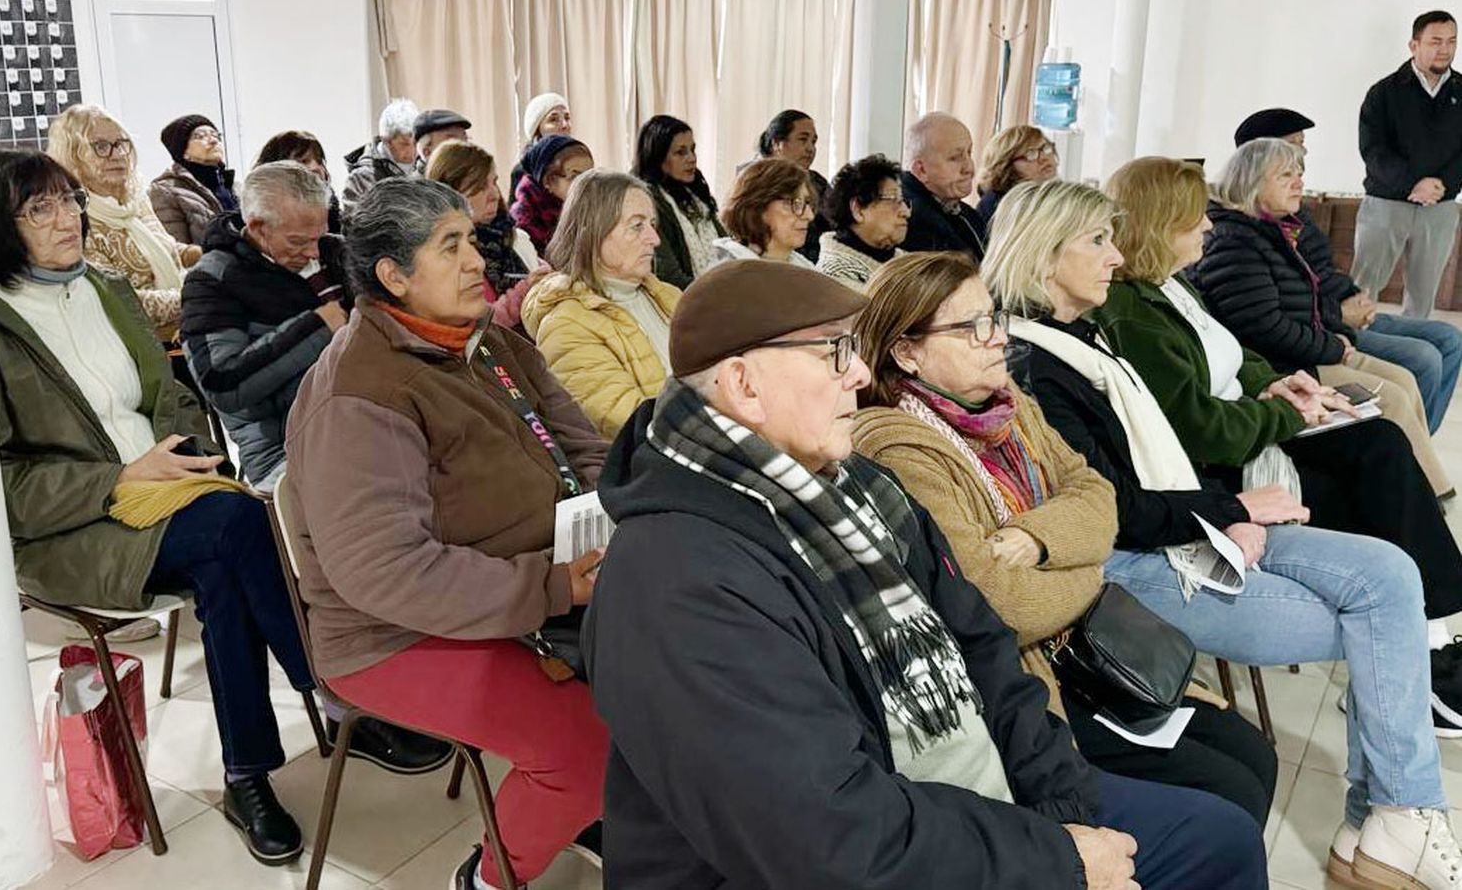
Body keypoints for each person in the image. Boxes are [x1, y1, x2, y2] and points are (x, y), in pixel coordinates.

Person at [585, 258, 1269, 890]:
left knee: (1221, 836)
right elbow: (826, 840)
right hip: (849, 855)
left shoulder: (857, 487)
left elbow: (985, 646)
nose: (859, 373)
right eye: (835, 351)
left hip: (962, 807)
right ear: (743, 384)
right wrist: (1057, 859)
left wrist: (1062, 807)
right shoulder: (677, 584)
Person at [980, 180, 1462, 887]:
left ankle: (1385, 816)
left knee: (1390, 571)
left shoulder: (1083, 335)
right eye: (1097, 241)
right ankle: (1392, 819)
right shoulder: (1036, 366)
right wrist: (1229, 510)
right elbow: (1117, 509)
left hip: (1188, 521)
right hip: (1137, 564)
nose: (1115, 257)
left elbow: (1163, 456)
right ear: (1045, 255)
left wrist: (1230, 503)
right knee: (1380, 625)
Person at [0, 147, 318, 866]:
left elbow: (172, 395)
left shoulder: (106, 289)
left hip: (170, 491)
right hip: (74, 526)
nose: (69, 217)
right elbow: (0, 487)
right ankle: (336, 689)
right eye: (42, 208)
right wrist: (121, 477)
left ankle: (246, 773)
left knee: (228, 560)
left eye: (71, 200)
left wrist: (182, 445)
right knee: (243, 523)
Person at [851, 250, 1279, 825]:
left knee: (1254, 756)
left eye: (994, 317)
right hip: (1030, 681)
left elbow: (1096, 494)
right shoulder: (897, 446)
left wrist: (1037, 538)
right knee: (1228, 794)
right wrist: (1089, 567)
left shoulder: (1007, 404)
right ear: (907, 352)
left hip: (1090, 645)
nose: (996, 338)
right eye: (970, 328)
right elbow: (998, 604)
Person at [284, 177, 609, 890]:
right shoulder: (358, 395)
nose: (477, 262)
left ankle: (595, 812)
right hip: (390, 634)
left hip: (522, 578)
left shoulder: (481, 337)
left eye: (471, 239)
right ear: (393, 275)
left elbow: (577, 440)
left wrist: (614, 507)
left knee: (677, 655)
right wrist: (552, 586)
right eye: (450, 246)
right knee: (585, 748)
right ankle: (488, 877)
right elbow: (387, 573)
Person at [1095, 158, 1462, 728]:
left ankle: (1433, 638)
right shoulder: (1133, 311)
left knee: (1380, 443)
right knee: (1376, 470)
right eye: (1196, 219)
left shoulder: (1172, 285)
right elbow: (1199, 428)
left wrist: (1278, 383)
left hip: (1252, 427)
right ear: (1159, 224)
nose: (1209, 228)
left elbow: (1237, 353)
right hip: (1222, 468)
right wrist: (1287, 416)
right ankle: (1428, 652)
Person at [1192, 137, 1451, 494]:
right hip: (1285, 363)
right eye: (1285, 175)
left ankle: (1423, 485)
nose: (1299, 182)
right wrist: (1333, 344)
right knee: (1390, 395)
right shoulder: (1235, 240)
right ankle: (1428, 494)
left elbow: (1314, 289)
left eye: (1299, 173)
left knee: (1405, 380)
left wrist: (1340, 322)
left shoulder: (1281, 227)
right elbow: (1264, 327)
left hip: (1313, 345)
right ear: (1251, 181)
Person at [1234, 107, 1462, 433]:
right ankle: (1407, 447)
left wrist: (1355, 297)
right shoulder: (1243, 229)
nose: (1305, 151)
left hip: (1330, 317)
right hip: (1318, 329)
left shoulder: (1292, 210)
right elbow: (1276, 312)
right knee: (1423, 359)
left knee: (1449, 338)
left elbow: (1323, 268)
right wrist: (1338, 314)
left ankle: (1417, 441)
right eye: (1296, 143)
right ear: (1260, 156)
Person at [179, 161, 347, 493]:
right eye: (299, 241)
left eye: (319, 236)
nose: (313, 252)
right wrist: (317, 326)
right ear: (258, 228)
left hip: (358, 423)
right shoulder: (212, 280)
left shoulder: (334, 252)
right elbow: (224, 383)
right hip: (283, 449)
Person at [521, 170, 680, 438]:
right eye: (637, 226)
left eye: (652, 224)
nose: (655, 239)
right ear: (594, 233)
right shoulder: (564, 326)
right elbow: (631, 422)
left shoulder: (668, 295)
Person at [47, 104, 198, 341]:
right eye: (101, 147)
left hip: (187, 323)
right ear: (71, 155)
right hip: (143, 343)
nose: (117, 154)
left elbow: (165, 249)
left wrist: (203, 254)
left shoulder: (134, 201)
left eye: (121, 144)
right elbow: (116, 301)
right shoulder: (72, 217)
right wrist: (198, 296)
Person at [1351, 10, 1462, 319]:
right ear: (1414, 45)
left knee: (1423, 295)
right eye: (1435, 41)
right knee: (1363, 288)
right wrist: (1415, 182)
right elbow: (1373, 150)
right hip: (1386, 203)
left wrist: (1441, 187)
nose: (1445, 49)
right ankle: (1353, 347)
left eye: (1452, 41)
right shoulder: (1383, 93)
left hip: (1440, 207)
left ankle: (1411, 355)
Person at [426, 139, 549, 330]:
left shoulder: (512, 236)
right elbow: (474, 327)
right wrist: (524, 292)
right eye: (480, 187)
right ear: (451, 192)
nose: (494, 194)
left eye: (494, 182)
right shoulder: (442, 255)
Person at [632, 114, 725, 288]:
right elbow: (668, 276)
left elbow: (725, 248)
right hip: (684, 301)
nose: (691, 158)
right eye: (680, 152)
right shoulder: (646, 201)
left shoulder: (695, 193)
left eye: (692, 149)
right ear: (657, 157)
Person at [816, 153, 910, 289]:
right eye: (893, 200)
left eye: (903, 200)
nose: (905, 212)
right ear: (858, 210)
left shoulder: (904, 262)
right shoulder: (836, 278)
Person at [900, 111, 987, 258]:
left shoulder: (966, 214)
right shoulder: (908, 220)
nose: (969, 168)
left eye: (969, 153)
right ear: (921, 170)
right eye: (954, 158)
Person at [707, 157, 819, 270]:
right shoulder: (727, 277)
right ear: (757, 207)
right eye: (795, 203)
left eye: (807, 203)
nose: (809, 216)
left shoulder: (808, 271)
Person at [750, 108, 831, 261]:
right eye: (803, 139)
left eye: (813, 142)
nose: (810, 148)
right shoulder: (756, 182)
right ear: (777, 143)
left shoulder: (817, 182)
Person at [149, 113, 239, 246]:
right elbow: (178, 251)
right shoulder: (166, 191)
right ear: (183, 151)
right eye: (201, 136)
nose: (214, 141)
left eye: (216, 136)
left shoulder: (235, 186)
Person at [510, 134, 593, 257]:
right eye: (575, 177)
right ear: (548, 181)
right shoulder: (523, 223)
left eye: (590, 176)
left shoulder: (588, 210)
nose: (586, 184)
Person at [256, 129, 343, 234]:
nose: (316, 167)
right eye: (303, 161)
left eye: (319, 161)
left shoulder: (339, 221)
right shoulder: (266, 224)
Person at [975, 124, 1058, 227]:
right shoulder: (996, 205)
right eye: (1030, 154)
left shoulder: (1055, 195)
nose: (1044, 158)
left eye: (1045, 148)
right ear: (1006, 166)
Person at [342, 97, 419, 207]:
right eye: (404, 144)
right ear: (386, 141)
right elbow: (352, 221)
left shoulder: (425, 164)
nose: (413, 150)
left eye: (416, 142)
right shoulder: (362, 179)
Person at [510, 92, 572, 198]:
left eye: (567, 118)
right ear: (537, 130)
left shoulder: (579, 163)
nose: (564, 125)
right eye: (553, 119)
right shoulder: (524, 170)